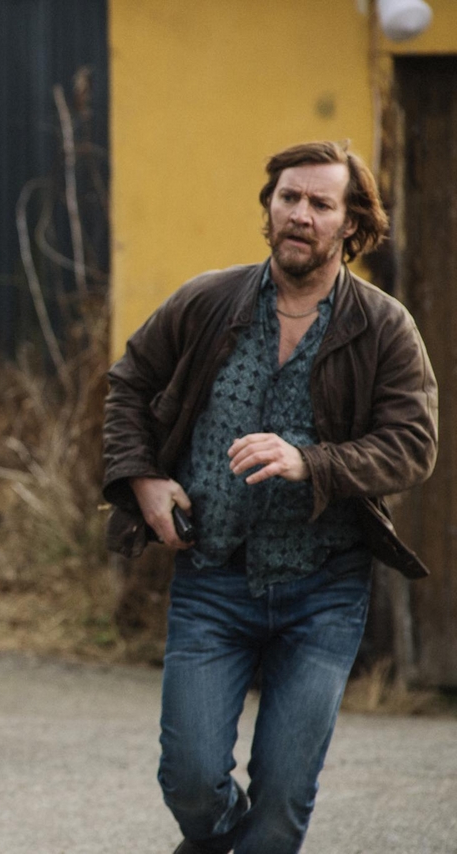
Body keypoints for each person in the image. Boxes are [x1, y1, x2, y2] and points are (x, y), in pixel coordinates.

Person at [103, 140, 437, 854]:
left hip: (325, 589)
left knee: (282, 800)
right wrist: (143, 481)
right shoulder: (208, 301)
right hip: (212, 576)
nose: (301, 215)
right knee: (191, 782)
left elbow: (412, 444)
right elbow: (128, 383)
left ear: (351, 222)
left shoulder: (383, 327)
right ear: (270, 207)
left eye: (321, 203)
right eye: (289, 198)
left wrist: (310, 462)